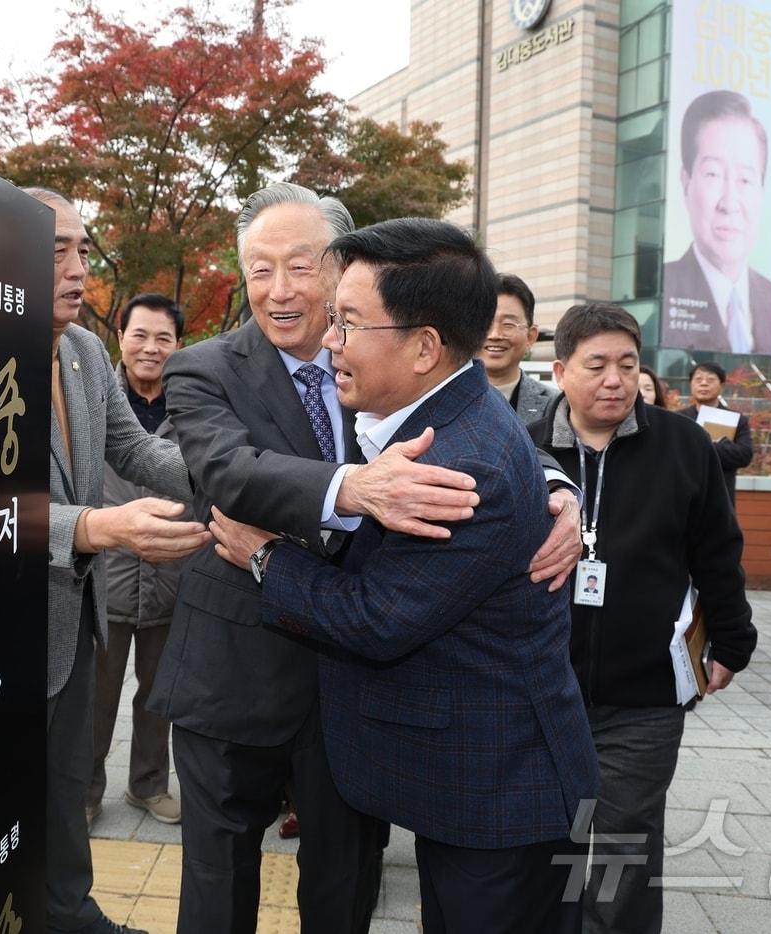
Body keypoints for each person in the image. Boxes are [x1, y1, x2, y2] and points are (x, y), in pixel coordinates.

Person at [148, 181, 583, 933]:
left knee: (344, 888)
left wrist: (552, 486)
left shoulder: (382, 354)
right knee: (216, 887)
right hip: (236, 675)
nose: (279, 290)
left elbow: (468, 431)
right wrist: (354, 487)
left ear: (339, 270)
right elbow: (228, 472)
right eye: (258, 268)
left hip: (359, 693)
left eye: (301, 266)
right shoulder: (204, 368)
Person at [530, 303, 757, 934]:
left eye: (627, 365)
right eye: (596, 364)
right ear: (560, 370)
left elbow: (717, 551)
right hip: (544, 687)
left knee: (625, 839)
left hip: (646, 693)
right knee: (550, 839)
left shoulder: (684, 444)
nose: (614, 380)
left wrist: (732, 642)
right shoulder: (525, 447)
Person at [27, 187, 208, 934]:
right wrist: (98, 526)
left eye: (80, 248)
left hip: (73, 622)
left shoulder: (82, 350)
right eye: (55, 251)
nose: (76, 269)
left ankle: (68, 912)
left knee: (67, 790)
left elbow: (131, 449)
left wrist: (227, 479)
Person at [87, 293, 187, 828]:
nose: (150, 348)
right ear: (119, 338)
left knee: (159, 695)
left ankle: (147, 785)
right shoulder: (91, 398)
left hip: (173, 574)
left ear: (178, 345)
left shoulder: (193, 404)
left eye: (163, 338)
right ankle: (84, 792)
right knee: (96, 698)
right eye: (139, 335)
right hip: (106, 572)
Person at [661, 90, 771, 354]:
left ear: (762, 189)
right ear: (686, 181)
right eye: (713, 174)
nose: (729, 202)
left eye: (745, 179)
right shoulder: (661, 289)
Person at [477, 272, 557, 423]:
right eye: (485, 323)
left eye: (508, 324)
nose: (495, 335)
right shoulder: (441, 397)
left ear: (530, 336)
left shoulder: (554, 405)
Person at [677, 361, 754, 503]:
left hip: (721, 498)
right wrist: (720, 445)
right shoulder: (678, 419)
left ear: (722, 385)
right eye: (698, 379)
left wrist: (703, 446)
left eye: (710, 380)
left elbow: (744, 455)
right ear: (691, 384)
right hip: (685, 496)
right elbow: (674, 454)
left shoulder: (737, 420)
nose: (704, 383)